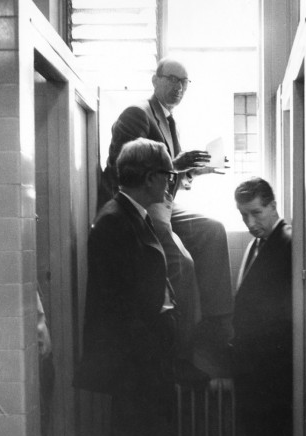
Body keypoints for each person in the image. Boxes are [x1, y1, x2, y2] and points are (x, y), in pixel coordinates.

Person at [74, 138, 207, 436]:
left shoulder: (135, 216)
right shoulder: (115, 221)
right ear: (150, 177)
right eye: (168, 176)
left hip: (146, 363)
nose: (171, 184)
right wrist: (157, 347)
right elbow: (117, 308)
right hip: (136, 368)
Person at [100, 57, 233, 374]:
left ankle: (216, 328)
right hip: (144, 207)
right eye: (172, 79)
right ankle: (183, 353)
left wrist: (194, 171)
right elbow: (127, 167)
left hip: (165, 203)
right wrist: (176, 163)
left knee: (214, 230)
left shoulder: (169, 122)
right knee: (183, 264)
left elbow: (172, 173)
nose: (178, 87)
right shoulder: (137, 115)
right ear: (154, 80)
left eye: (184, 82)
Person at [232, 178, 292, 436]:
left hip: (270, 375)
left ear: (272, 205)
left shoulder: (284, 243)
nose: (250, 223)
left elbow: (282, 318)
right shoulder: (263, 242)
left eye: (256, 212)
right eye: (243, 215)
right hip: (256, 370)